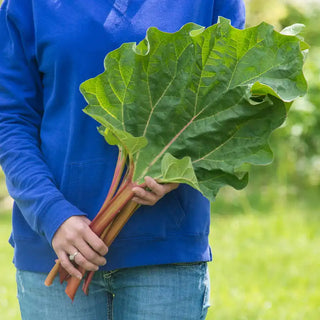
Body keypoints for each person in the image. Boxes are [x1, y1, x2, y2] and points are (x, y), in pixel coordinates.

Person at [0, 0, 245, 319]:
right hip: (56, 251)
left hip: (165, 258)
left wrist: (181, 167)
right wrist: (52, 214)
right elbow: (11, 118)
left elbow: (232, 99)